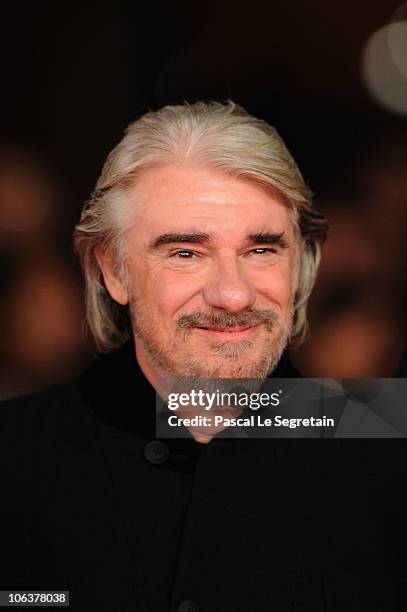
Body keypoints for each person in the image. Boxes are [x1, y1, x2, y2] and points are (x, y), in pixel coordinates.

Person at [0, 101, 404, 611]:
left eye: (262, 250)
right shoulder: (14, 458)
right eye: (186, 253)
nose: (233, 296)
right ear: (113, 270)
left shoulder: (388, 451)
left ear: (301, 261)